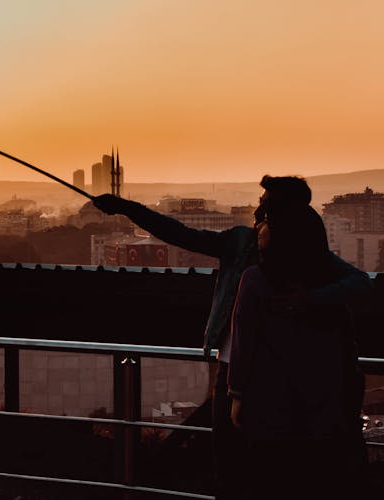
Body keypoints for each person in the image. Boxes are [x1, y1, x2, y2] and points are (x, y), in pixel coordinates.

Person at [93, 176, 371, 500]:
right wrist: (311, 299)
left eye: (266, 199)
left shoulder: (252, 248)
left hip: (242, 376)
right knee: (260, 466)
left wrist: (309, 300)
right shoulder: (299, 252)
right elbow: (359, 282)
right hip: (266, 377)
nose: (260, 205)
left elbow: (182, 236)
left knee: (238, 464)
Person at [228, 205, 366, 499]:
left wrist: (236, 394)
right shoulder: (325, 278)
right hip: (321, 411)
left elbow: (243, 342)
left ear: (282, 233)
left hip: (270, 410)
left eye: (266, 222)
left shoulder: (255, 279)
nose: (259, 227)